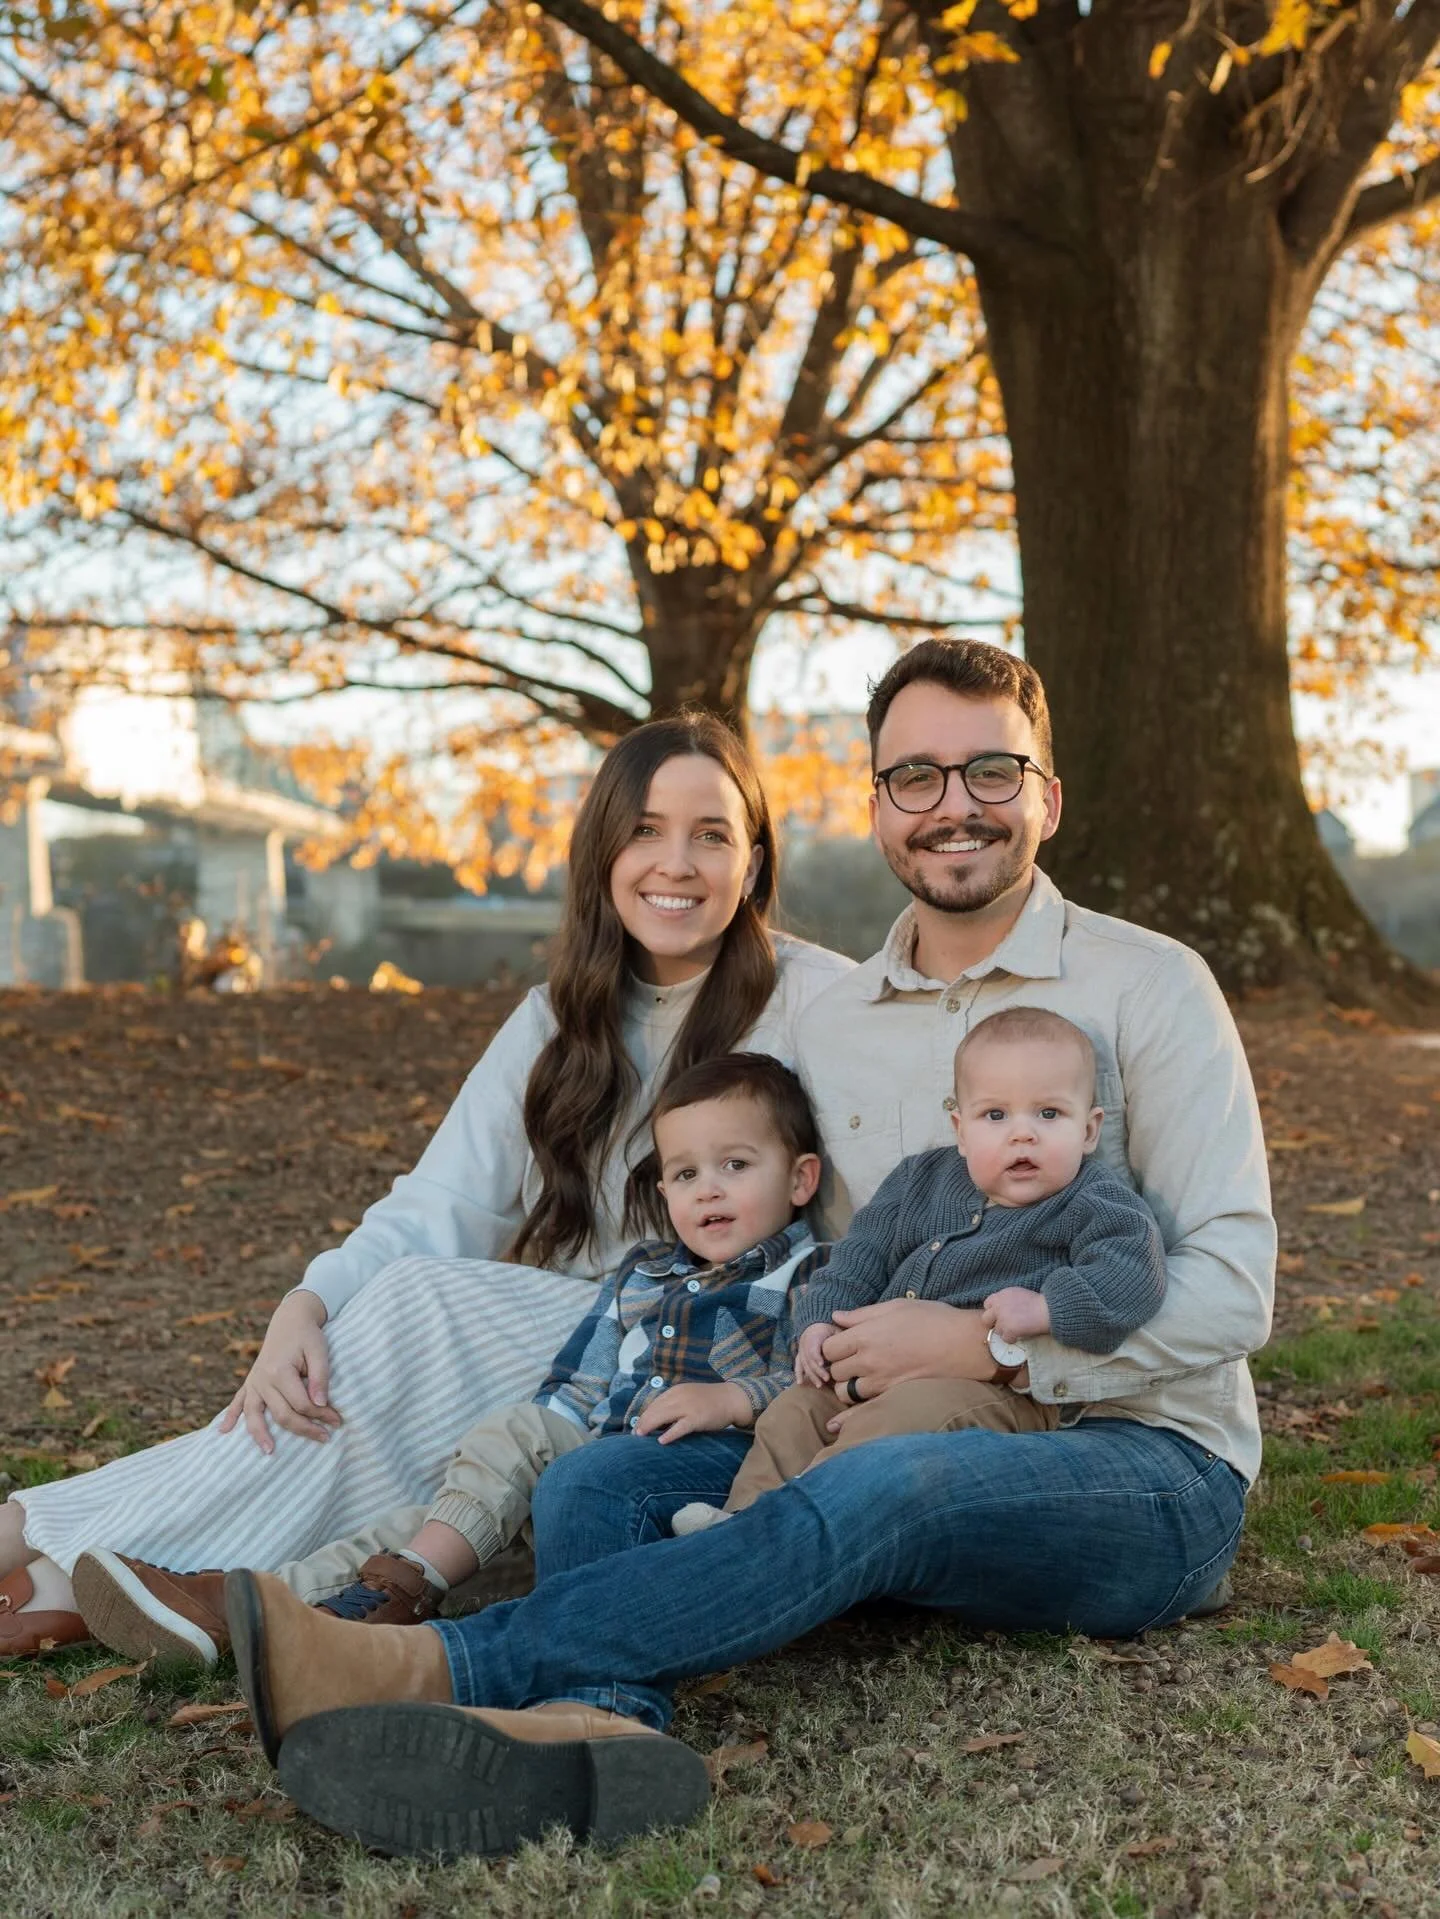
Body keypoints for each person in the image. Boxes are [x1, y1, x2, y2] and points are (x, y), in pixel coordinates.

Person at [184, 639, 1279, 1865]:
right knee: (592, 1481)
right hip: (870, 1417)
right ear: (875, 806)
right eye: (914, 776)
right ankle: (605, 1727)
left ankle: (424, 1656)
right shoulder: (830, 1015)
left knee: (881, 1485)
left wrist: (990, 1344)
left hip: (1134, 1466)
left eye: (990, 770)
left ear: (1047, 797)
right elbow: (764, 1208)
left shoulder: (1152, 987)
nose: (953, 805)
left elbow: (1232, 1293)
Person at [0, 715, 851, 1659]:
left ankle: (46, 1547)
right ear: (603, 850)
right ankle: (90, 1583)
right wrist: (307, 1301)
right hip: (587, 1349)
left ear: (756, 858)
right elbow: (439, 1204)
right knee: (351, 1367)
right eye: (645, 829)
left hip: (719, 1343)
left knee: (418, 1310)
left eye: (712, 833)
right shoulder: (557, 1024)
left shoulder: (821, 1001)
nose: (676, 862)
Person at [73, 1052, 825, 1660]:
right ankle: (254, 1606)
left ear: (801, 1177)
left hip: (703, 1472)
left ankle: (400, 1586)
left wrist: (735, 1400)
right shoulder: (643, 1275)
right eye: (687, 1174)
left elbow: (815, 1381)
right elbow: (575, 1385)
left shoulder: (812, 1272)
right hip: (592, 1458)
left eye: (735, 1165)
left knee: (508, 1450)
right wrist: (512, 1458)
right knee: (441, 1500)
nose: (709, 1190)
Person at [670, 1005, 1167, 1535]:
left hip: (997, 1395)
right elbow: (858, 1259)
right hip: (872, 1375)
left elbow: (1133, 1276)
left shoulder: (1096, 1202)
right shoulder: (918, 1181)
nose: (1022, 1136)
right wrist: (816, 1322)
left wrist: (1046, 1307)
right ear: (960, 1127)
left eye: (1049, 1114)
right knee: (793, 1411)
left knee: (900, 1423)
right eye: (995, 1116)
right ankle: (740, 1521)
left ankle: (794, 1530)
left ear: (1089, 1130)